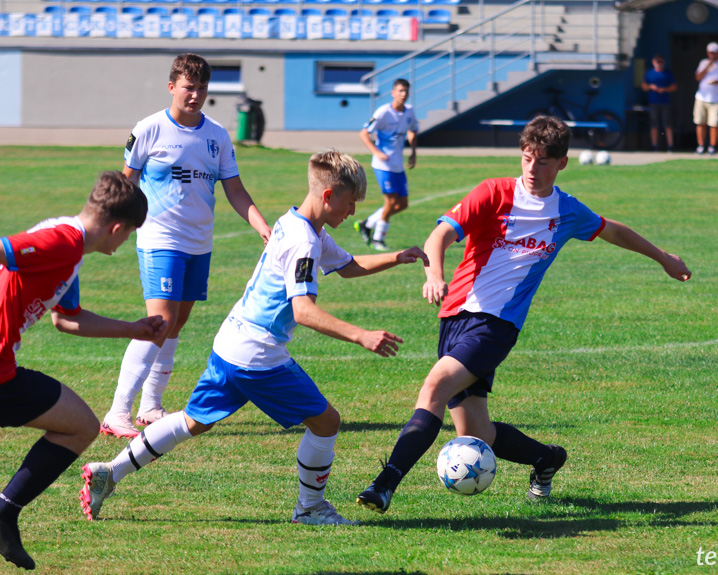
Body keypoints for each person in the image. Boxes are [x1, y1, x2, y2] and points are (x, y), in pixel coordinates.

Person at [356, 115, 691, 514]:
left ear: (562, 163)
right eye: (528, 158)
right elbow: (441, 234)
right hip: (454, 315)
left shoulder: (566, 211)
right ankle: (547, 458)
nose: (533, 168)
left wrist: (663, 257)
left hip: (496, 326)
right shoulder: (493, 192)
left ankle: (385, 484)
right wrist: (435, 275)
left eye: (544, 161)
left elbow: (611, 230)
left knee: (434, 388)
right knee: (474, 431)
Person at [80, 151, 429, 526]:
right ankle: (310, 509)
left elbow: (346, 266)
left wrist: (398, 256)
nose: (352, 211)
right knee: (326, 422)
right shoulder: (304, 242)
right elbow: (303, 312)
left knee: (194, 421)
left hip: (232, 341)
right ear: (328, 196)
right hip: (258, 355)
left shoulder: (298, 224)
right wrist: (361, 335)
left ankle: (109, 472)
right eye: (350, 202)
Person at [0, 172, 168, 570]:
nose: (124, 242)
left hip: (5, 369)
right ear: (116, 228)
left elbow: (67, 319)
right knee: (79, 426)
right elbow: (6, 249)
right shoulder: (63, 241)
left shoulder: (69, 251)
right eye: (128, 234)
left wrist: (135, 329)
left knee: (80, 424)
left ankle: (5, 513)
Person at [100, 53, 271, 439]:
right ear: (172, 86)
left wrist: (262, 225)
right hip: (160, 239)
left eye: (202, 88)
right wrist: (118, 227)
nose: (195, 95)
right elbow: (126, 184)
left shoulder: (217, 136)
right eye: (188, 87)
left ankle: (150, 406)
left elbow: (235, 189)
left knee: (176, 324)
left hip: (199, 243)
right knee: (157, 322)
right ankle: (117, 412)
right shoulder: (149, 129)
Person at [354, 78, 419, 252]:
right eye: (400, 91)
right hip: (383, 165)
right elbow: (363, 133)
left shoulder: (409, 112)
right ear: (393, 93)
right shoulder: (383, 112)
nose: (403, 94)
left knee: (402, 204)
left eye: (406, 91)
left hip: (398, 164)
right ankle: (377, 238)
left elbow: (413, 130)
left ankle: (367, 223)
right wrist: (376, 152)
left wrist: (413, 151)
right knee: (390, 201)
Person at [694, 42, 718, 155]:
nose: (713, 55)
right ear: (708, 53)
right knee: (700, 122)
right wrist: (708, 66)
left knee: (714, 124)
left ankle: (712, 146)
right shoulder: (703, 63)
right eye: (711, 53)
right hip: (701, 97)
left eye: (715, 53)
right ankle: (701, 146)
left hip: (715, 99)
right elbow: (698, 77)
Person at [641, 54, 677, 152]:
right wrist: (651, 87)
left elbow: (674, 87)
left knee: (667, 124)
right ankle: (654, 145)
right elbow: (644, 86)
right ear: (653, 62)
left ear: (664, 62)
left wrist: (664, 89)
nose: (659, 64)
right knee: (654, 125)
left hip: (665, 102)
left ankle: (670, 146)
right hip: (653, 102)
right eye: (657, 61)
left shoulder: (668, 73)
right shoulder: (649, 73)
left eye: (661, 61)